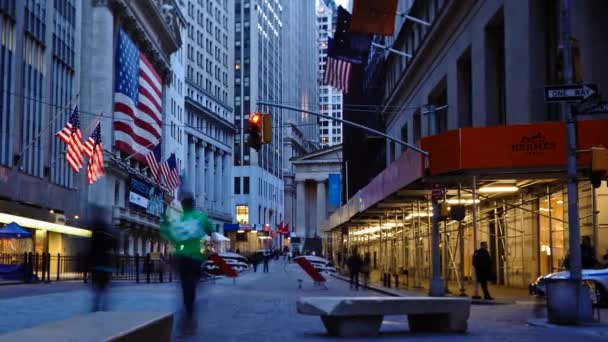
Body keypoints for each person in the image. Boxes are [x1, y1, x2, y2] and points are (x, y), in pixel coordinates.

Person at [160, 191, 213, 335]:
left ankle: (188, 316)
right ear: (193, 204)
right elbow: (210, 230)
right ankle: (189, 316)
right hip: (196, 259)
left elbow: (165, 231)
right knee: (191, 288)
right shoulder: (200, 217)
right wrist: (205, 250)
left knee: (185, 288)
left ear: (183, 205)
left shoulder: (177, 219)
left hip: (181, 259)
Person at [88, 206, 116, 312]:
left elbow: (91, 251)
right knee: (104, 288)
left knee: (97, 289)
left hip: (97, 266)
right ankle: (104, 307)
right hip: (104, 266)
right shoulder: (107, 237)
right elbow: (113, 247)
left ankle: (96, 306)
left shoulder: (95, 237)